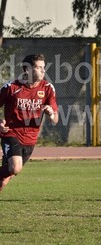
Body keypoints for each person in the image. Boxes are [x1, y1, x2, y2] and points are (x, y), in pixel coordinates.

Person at [0, 54, 58, 192]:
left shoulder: (48, 88)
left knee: (3, 180)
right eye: (39, 67)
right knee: (15, 167)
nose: (43, 71)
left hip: (30, 140)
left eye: (44, 67)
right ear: (27, 69)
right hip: (11, 134)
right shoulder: (11, 87)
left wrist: (51, 113)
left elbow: (56, 119)